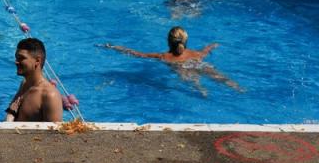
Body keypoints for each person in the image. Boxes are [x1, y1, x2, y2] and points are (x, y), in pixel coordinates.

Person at [102, 27, 242, 95]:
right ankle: (238, 89)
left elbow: (138, 54)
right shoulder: (196, 53)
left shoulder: (163, 57)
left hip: (182, 68)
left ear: (168, 41)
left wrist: (116, 47)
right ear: (186, 41)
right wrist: (213, 45)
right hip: (198, 63)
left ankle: (202, 91)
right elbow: (206, 50)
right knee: (218, 76)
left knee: (191, 79)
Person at [4, 38, 64, 122]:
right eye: (16, 58)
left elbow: (54, 134)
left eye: (21, 58)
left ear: (37, 61)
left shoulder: (49, 95)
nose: (16, 62)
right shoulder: (24, 84)